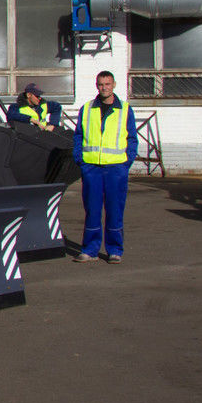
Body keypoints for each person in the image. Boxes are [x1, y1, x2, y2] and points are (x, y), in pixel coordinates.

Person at [71, 70, 137, 264]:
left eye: (107, 84)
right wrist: (80, 159)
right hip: (91, 168)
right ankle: (90, 250)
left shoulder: (125, 110)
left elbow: (132, 138)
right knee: (92, 210)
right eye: (101, 84)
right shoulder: (87, 109)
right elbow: (78, 136)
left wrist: (127, 162)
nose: (104, 87)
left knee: (115, 210)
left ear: (114, 85)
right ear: (96, 85)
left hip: (116, 169)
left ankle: (114, 250)